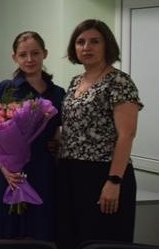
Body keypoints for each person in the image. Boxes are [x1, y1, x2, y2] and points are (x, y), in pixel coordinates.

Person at [56, 20, 142, 249]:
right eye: (80, 42)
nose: (87, 47)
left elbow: (127, 135)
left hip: (103, 173)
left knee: (101, 240)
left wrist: (114, 181)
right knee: (70, 239)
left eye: (95, 41)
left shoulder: (119, 81)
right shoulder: (75, 82)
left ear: (107, 45)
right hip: (70, 172)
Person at [0, 32, 65, 241]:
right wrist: (5, 169)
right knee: (8, 233)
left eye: (35, 53)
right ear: (15, 58)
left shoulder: (57, 93)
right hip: (9, 174)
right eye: (23, 55)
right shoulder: (5, 89)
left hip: (43, 171)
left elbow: (58, 129)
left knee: (40, 231)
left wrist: (57, 142)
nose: (29, 59)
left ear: (45, 54)